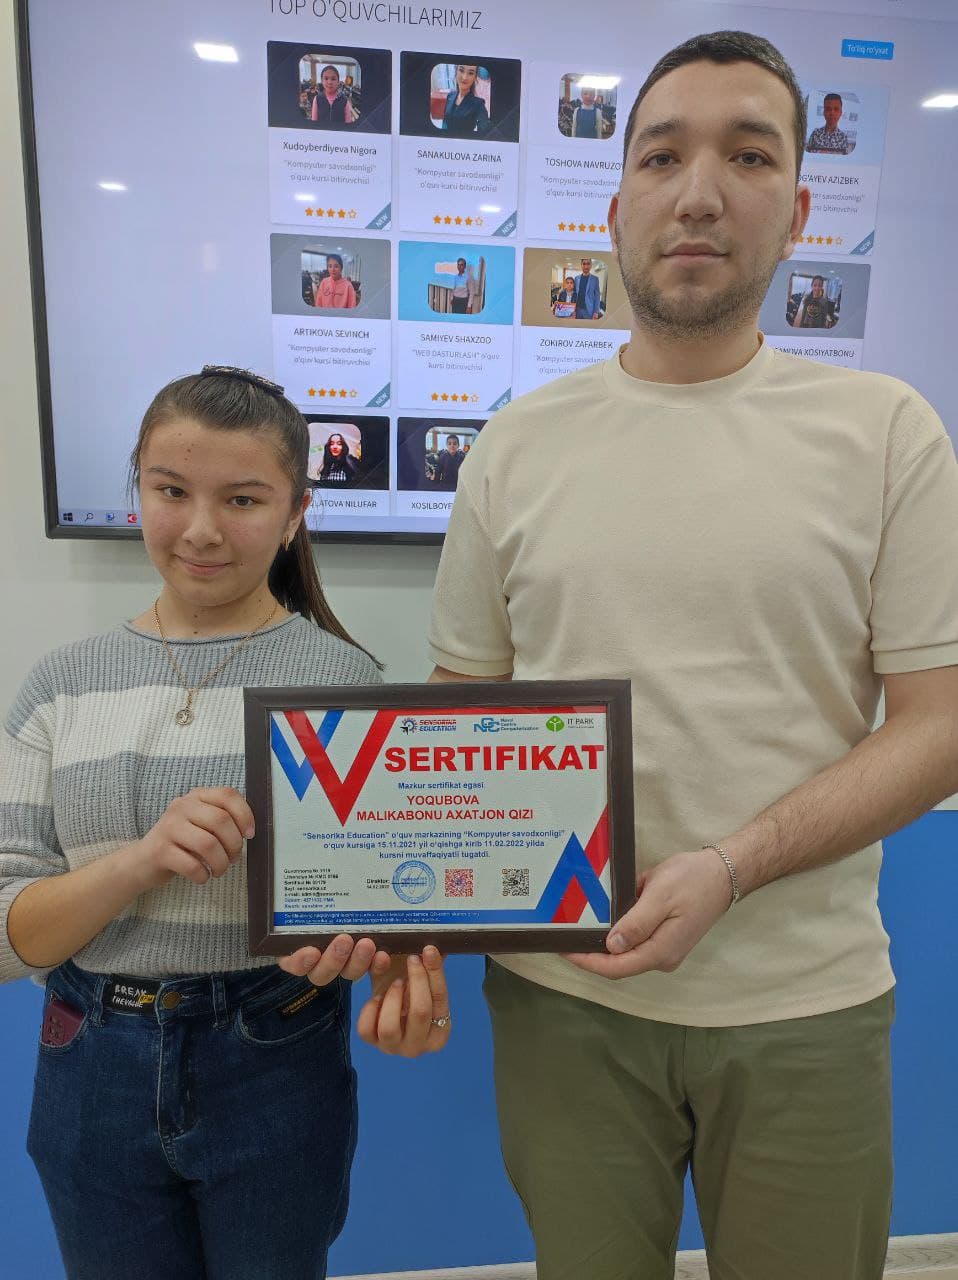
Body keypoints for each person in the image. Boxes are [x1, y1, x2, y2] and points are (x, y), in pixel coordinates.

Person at [427, 29, 958, 1280]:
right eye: (662, 155)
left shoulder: (885, 430)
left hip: (804, 1002)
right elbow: (459, 708)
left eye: (749, 155)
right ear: (615, 208)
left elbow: (938, 724)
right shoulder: (515, 442)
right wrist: (401, 914)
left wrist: (731, 865)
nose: (701, 191)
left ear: (799, 211)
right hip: (563, 1001)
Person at [0, 366, 451, 1280]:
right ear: (137, 491)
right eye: (171, 491)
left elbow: (383, 912)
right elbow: (9, 941)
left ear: (294, 514)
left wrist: (395, 974)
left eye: (242, 500)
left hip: (276, 1053)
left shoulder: (345, 686)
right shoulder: (59, 685)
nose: (201, 530)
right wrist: (139, 862)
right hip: (88, 1059)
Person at [441, 63, 490, 137]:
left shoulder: (479, 104)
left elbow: (484, 131)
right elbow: (444, 122)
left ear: (475, 78)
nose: (464, 77)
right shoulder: (450, 96)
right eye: (461, 70)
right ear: (456, 71)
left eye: (470, 73)